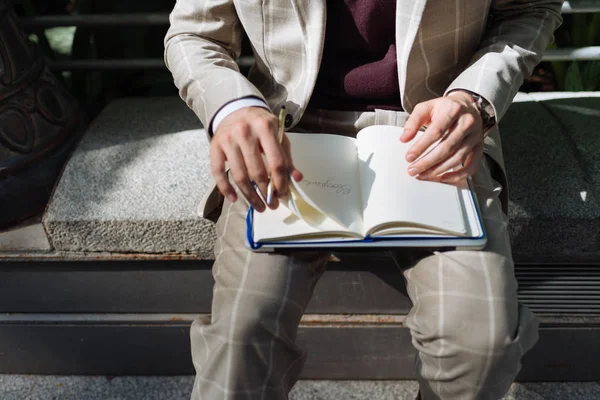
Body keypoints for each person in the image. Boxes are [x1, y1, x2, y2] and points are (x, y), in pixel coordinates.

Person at [164, 1, 562, 399]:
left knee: (480, 343)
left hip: (433, 127)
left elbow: (528, 9)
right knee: (240, 339)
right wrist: (233, 109)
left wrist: (472, 97)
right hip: (286, 129)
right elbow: (195, 34)